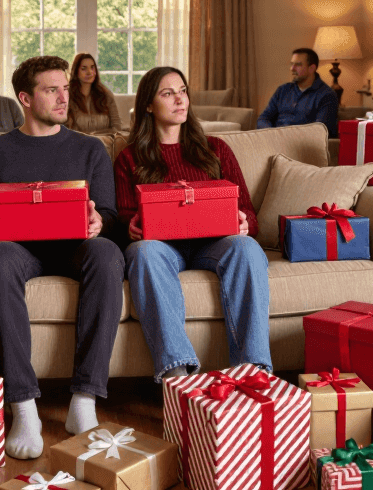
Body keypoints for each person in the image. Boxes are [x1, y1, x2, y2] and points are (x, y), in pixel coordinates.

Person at [0, 55, 124, 460]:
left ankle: (84, 402)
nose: (64, 97)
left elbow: (113, 214)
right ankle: (24, 407)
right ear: (25, 98)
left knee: (107, 254)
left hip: (76, 247)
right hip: (17, 250)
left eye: (64, 89)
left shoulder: (91, 149)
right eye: (52, 90)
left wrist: (100, 222)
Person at [116, 66, 271, 382]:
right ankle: (178, 372)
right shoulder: (130, 158)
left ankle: (252, 371)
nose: (179, 100)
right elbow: (119, 216)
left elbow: (248, 212)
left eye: (183, 91)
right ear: (148, 104)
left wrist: (244, 224)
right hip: (161, 248)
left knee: (247, 247)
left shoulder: (216, 149)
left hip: (212, 245)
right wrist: (128, 227)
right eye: (167, 93)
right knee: (143, 251)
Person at [256, 48, 340, 137]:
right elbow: (263, 119)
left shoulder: (327, 95)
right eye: (292, 64)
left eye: (298, 65)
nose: (292, 69)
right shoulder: (282, 90)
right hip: (275, 141)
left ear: (312, 68)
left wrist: (285, 137)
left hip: (303, 146)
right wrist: (272, 133)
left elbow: (320, 131)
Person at [66, 52, 123, 134]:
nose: (89, 72)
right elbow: (65, 130)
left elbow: (117, 127)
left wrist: (98, 136)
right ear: (75, 71)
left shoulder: (106, 94)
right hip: (78, 144)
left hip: (105, 143)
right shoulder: (68, 96)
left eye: (92, 67)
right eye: (84, 68)